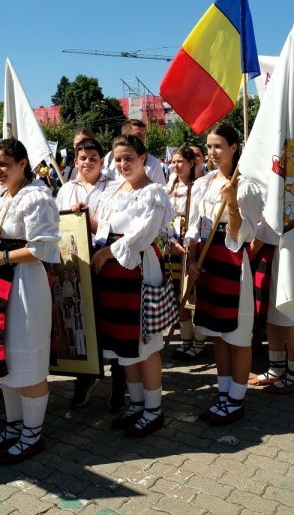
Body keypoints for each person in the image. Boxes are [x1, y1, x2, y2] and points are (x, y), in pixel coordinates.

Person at [0, 139, 61, 464]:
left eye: (4, 165)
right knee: (6, 358)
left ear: (22, 164)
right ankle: (13, 427)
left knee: (29, 364)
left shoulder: (38, 197)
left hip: (25, 284)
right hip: (1, 283)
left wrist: (5, 255)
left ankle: (32, 435)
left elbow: (44, 247)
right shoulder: (1, 196)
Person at [90, 134, 174, 436]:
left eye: (129, 157)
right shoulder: (112, 191)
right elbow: (104, 228)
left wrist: (105, 253)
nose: (123, 163)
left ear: (143, 158)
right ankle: (136, 404)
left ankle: (153, 409)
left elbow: (142, 236)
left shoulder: (152, 192)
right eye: (119, 158)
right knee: (125, 346)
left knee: (145, 345)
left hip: (136, 271)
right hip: (112, 274)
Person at [185, 124, 264, 426]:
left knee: (237, 337)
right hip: (208, 265)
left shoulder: (247, 187)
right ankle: (223, 393)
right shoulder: (203, 183)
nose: (212, 152)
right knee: (218, 334)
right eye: (209, 146)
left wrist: (231, 202)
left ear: (234, 147)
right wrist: (192, 262)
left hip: (232, 264)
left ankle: (237, 398)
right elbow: (194, 228)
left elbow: (242, 234)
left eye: (218, 146)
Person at [54, 137, 122, 411]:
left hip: (104, 262)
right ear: (76, 160)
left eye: (93, 158)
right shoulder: (66, 189)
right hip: (74, 264)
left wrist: (88, 218)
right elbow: (56, 224)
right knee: (79, 322)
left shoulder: (113, 188)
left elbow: (113, 228)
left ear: (101, 160)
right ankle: (85, 378)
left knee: (110, 325)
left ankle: (120, 385)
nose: (88, 162)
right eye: (83, 158)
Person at [165, 146, 206, 361]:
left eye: (180, 161)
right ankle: (187, 340)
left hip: (192, 246)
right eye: (173, 161)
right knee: (176, 294)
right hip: (172, 247)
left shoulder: (199, 186)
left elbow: (200, 218)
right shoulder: (169, 186)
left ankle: (199, 342)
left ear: (191, 163)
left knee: (192, 294)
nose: (175, 166)